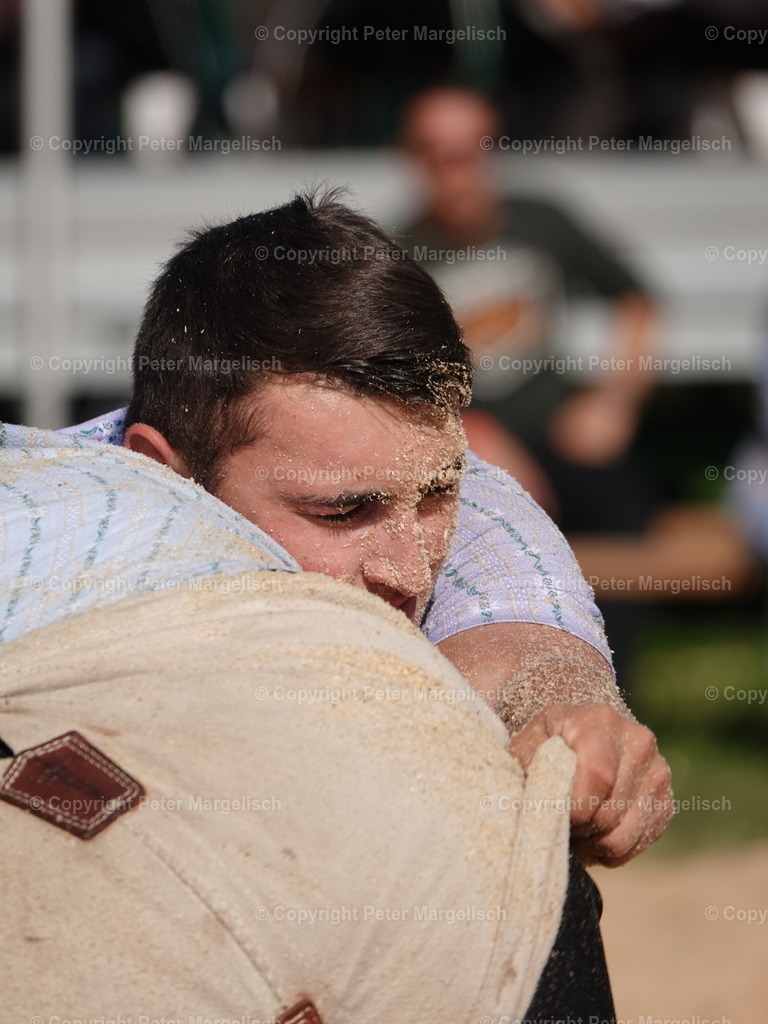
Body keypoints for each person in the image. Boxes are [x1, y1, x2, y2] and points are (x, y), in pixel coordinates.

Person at [2, 190, 671, 1017]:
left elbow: (516, 632)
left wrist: (571, 721)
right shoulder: (36, 521)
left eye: (434, 497)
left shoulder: (459, 493)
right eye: (340, 514)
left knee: (521, 869)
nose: (408, 566)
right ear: (161, 475)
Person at [399, 86, 659, 677]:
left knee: (619, 508)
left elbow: (638, 301)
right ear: (412, 160)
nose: (457, 173)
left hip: (556, 422)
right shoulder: (398, 254)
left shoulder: (541, 222)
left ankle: (612, 686)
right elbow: (385, 380)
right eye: (437, 155)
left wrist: (615, 401)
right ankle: (497, 687)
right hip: (461, 442)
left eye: (469, 152)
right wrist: (466, 431)